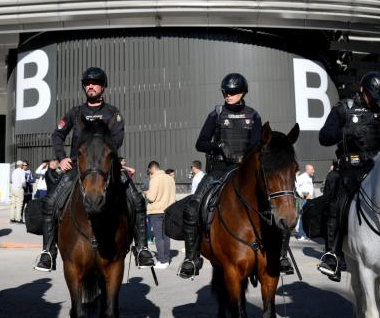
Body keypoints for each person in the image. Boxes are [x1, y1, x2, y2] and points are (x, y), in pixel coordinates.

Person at [34, 67, 155, 272]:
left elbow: (117, 139)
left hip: (107, 168)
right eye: (87, 83)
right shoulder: (75, 112)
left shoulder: (112, 113)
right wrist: (62, 158)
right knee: (51, 202)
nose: (90, 86)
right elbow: (57, 136)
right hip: (77, 169)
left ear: (103, 87)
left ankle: (141, 248)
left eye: (95, 83)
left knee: (136, 199)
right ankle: (48, 252)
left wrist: (110, 160)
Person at [179, 73, 281, 279]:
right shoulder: (216, 114)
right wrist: (219, 146)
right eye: (226, 92)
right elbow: (200, 143)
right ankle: (191, 258)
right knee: (192, 207)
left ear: (243, 93)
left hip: (244, 172)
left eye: (233, 92)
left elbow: (256, 145)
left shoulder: (253, 116)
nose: (228, 95)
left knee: (274, 204)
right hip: (219, 170)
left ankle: (280, 254)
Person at [316, 71, 380, 281]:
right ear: (362, 90)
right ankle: (333, 256)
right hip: (351, 171)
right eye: (372, 97)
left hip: (377, 169)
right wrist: (346, 132)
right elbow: (324, 137)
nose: (375, 102)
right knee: (337, 205)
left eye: (379, 99)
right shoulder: (343, 109)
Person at [145, 160, 176, 269]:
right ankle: (167, 259)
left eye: (149, 171)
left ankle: (162, 261)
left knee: (158, 237)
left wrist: (147, 193)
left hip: (156, 211)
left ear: (152, 168)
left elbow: (152, 197)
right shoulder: (170, 178)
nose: (149, 173)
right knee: (166, 236)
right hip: (168, 210)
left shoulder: (154, 179)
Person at [295, 164, 315, 240]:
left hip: (309, 199)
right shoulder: (303, 177)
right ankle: (301, 235)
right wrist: (302, 194)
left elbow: (310, 188)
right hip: (304, 199)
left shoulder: (310, 177)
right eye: (312, 169)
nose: (313, 171)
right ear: (308, 170)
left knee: (306, 216)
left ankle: (304, 233)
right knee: (303, 216)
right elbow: (296, 185)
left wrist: (311, 196)